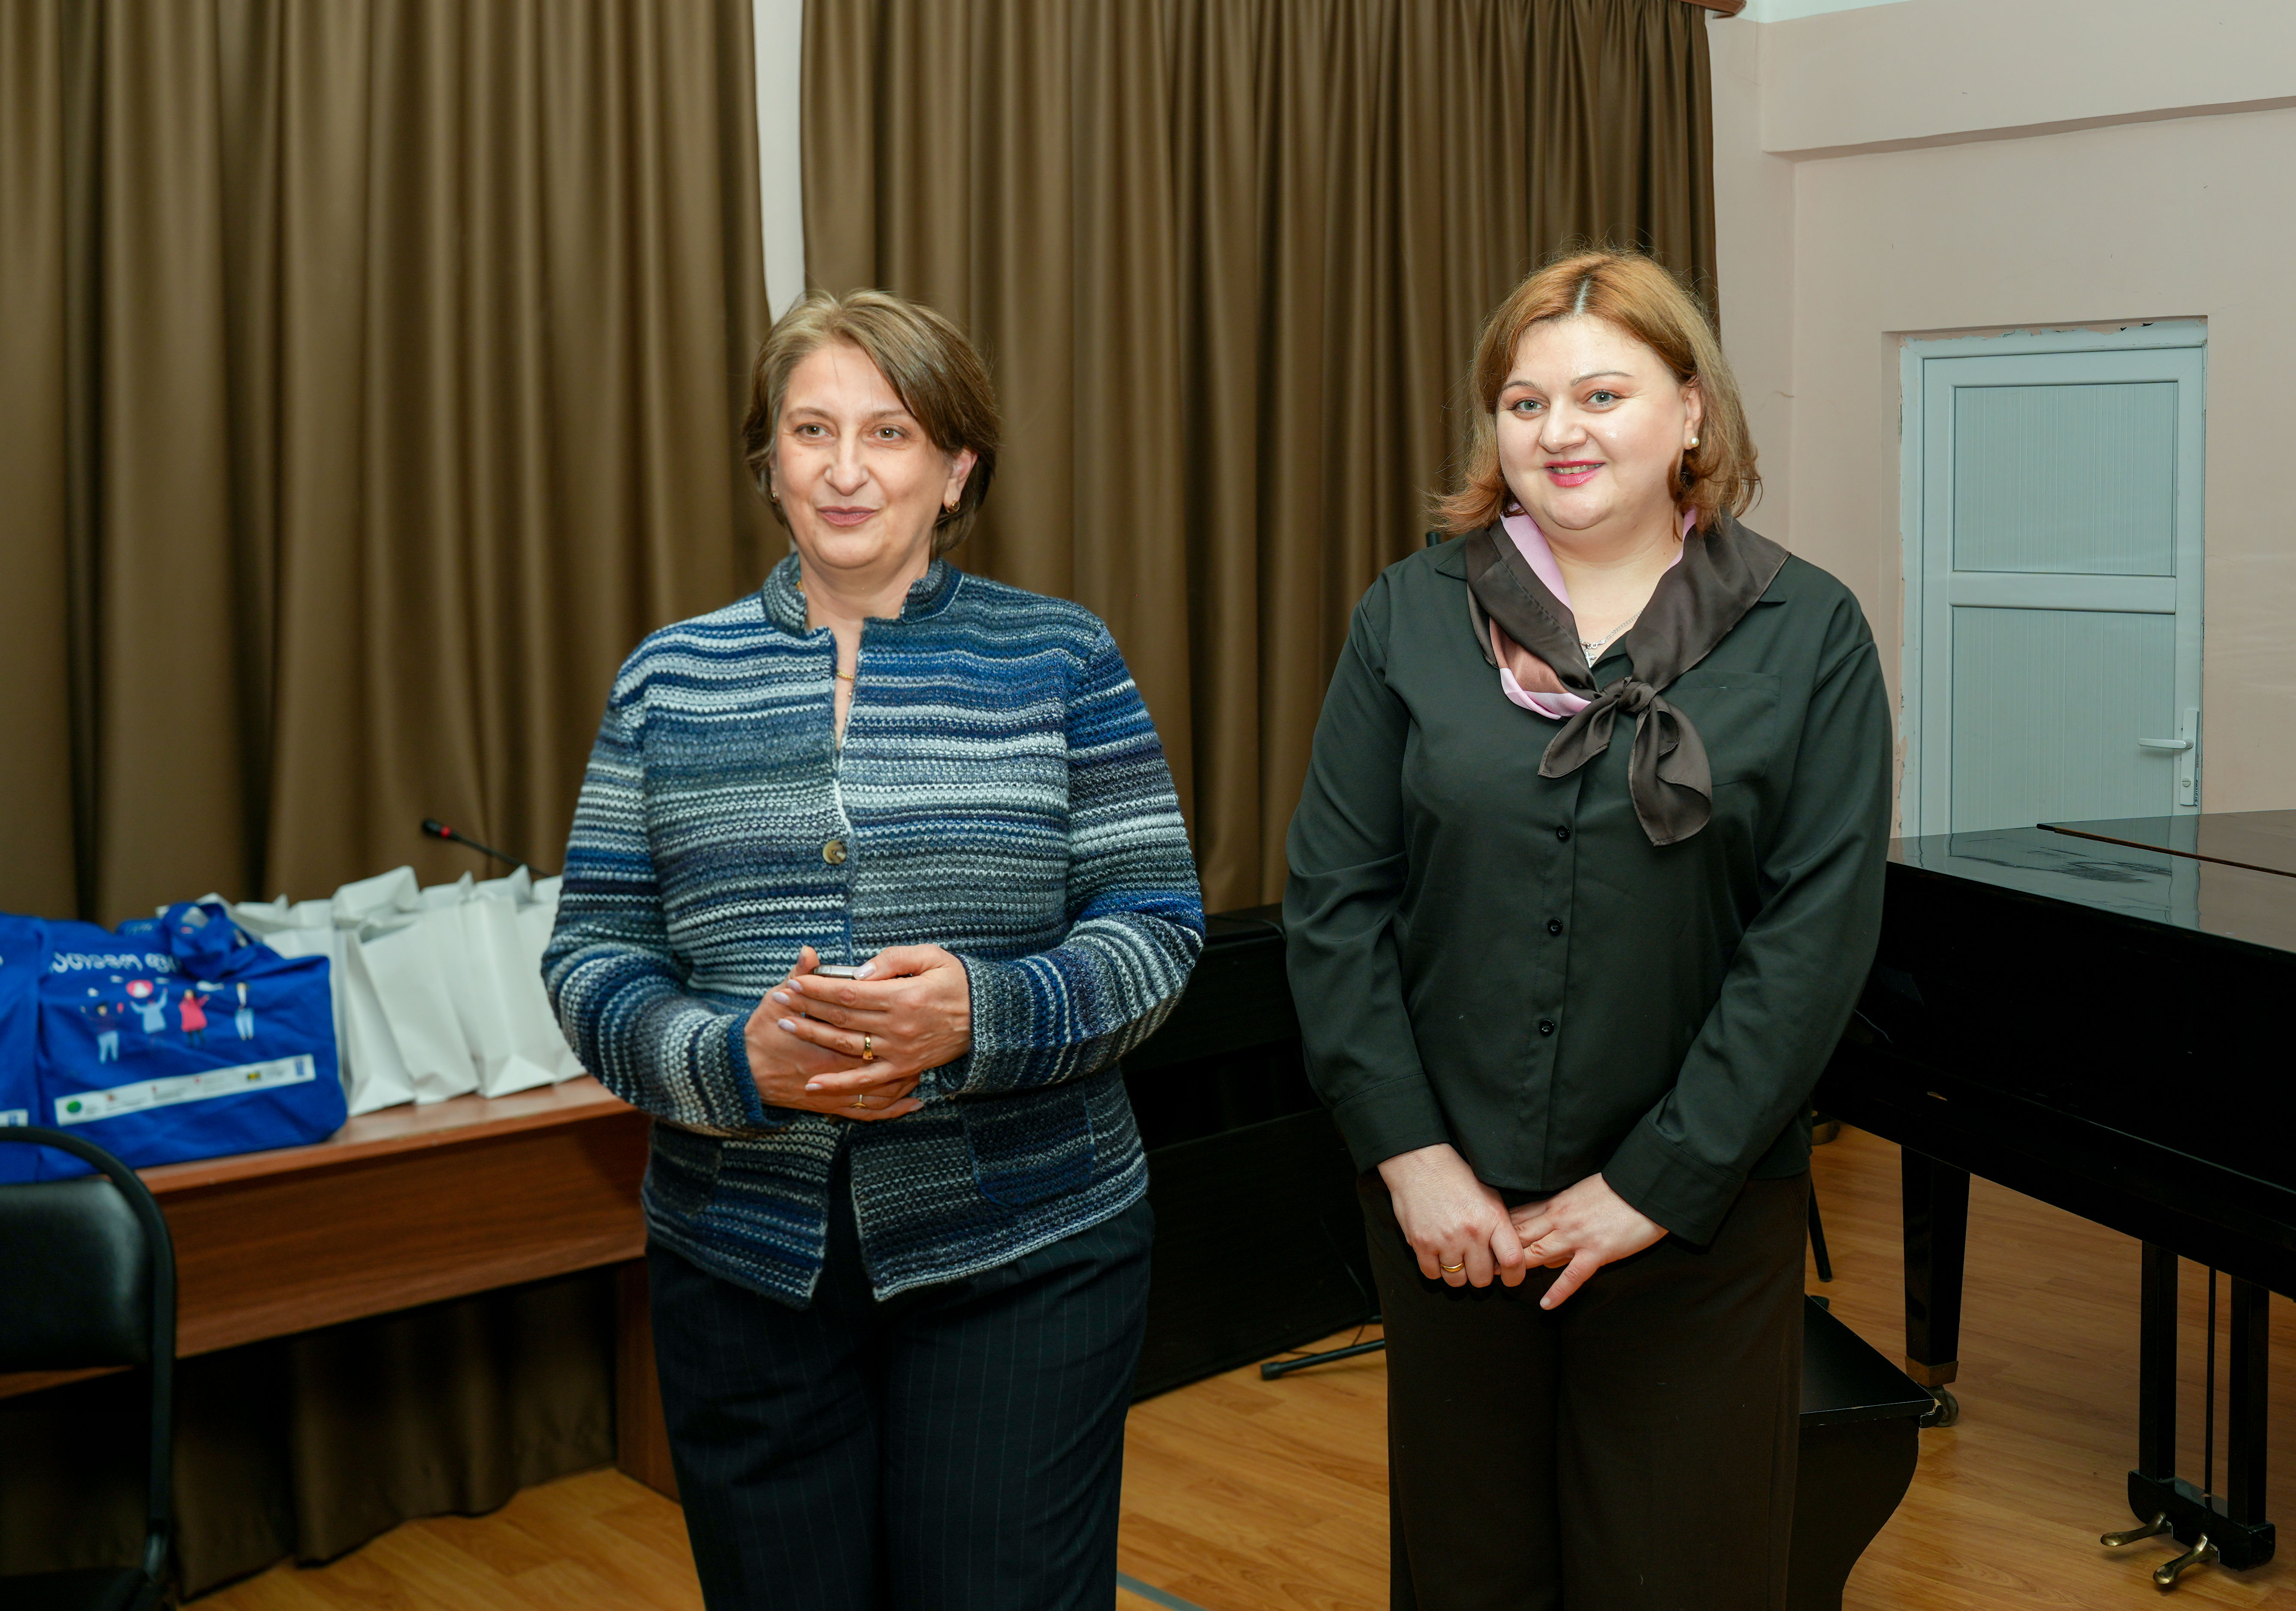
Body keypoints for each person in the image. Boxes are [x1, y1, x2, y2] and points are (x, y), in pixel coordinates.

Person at [547, 289, 1204, 1611]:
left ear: (955, 467)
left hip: (1028, 1249)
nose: (845, 469)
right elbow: (593, 958)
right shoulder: (667, 679)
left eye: (889, 432)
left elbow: (1156, 927)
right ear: (769, 462)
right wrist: (731, 1061)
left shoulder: (1061, 658)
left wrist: (982, 1013)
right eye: (812, 430)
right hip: (741, 1262)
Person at [1285, 248, 1892, 1609]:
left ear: (1691, 411)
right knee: (1469, 1575)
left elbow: (1812, 937)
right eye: (1525, 401)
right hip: (1452, 1220)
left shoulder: (1807, 632)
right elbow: (1334, 898)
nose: (1557, 430)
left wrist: (1653, 1183)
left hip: (1693, 1222)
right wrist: (1410, 1155)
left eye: (1601, 394)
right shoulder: (1408, 616)